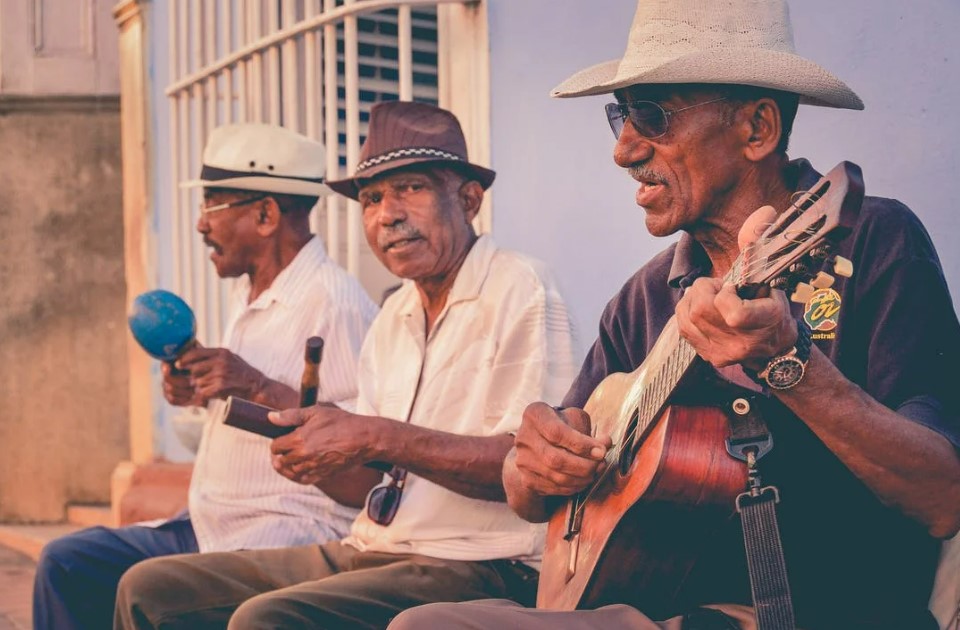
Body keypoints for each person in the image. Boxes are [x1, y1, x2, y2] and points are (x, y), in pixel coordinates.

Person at [388, 1, 960, 629]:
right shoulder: (643, 298)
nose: (624, 150)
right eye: (620, 117)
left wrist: (790, 364)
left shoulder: (875, 240)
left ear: (757, 130)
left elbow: (942, 496)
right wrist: (531, 462)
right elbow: (530, 497)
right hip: (649, 601)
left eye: (652, 116)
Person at [111, 101, 581, 629]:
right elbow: (368, 486)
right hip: (374, 544)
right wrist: (319, 463)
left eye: (412, 188)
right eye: (372, 198)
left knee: (266, 619)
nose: (388, 214)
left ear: (468, 199)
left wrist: (377, 435)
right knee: (149, 588)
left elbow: (531, 469)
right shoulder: (394, 316)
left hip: (478, 561)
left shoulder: (521, 288)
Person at [33, 123, 378, 630]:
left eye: (212, 205)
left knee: (152, 590)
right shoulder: (250, 293)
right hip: (210, 524)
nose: (200, 225)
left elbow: (363, 450)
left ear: (265, 215)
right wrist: (200, 391)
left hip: (283, 531)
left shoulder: (336, 304)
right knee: (67, 562)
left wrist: (252, 383)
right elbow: (249, 395)